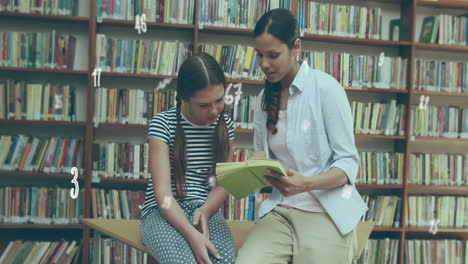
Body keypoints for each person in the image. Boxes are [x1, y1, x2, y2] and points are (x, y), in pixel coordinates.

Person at [235, 8, 368, 264]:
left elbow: (348, 164)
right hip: (280, 211)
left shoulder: (327, 90)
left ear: (296, 47)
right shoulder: (264, 98)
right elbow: (261, 151)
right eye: (260, 55)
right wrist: (251, 168)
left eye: (273, 55)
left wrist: (305, 183)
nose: (264, 64)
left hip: (326, 212)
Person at [140, 52, 236, 264]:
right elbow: (163, 195)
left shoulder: (225, 125)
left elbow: (224, 183)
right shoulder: (163, 125)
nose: (214, 111)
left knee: (225, 260)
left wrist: (205, 210)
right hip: (163, 212)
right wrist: (192, 235)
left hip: (205, 210)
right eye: (204, 105)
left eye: (219, 100)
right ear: (184, 97)